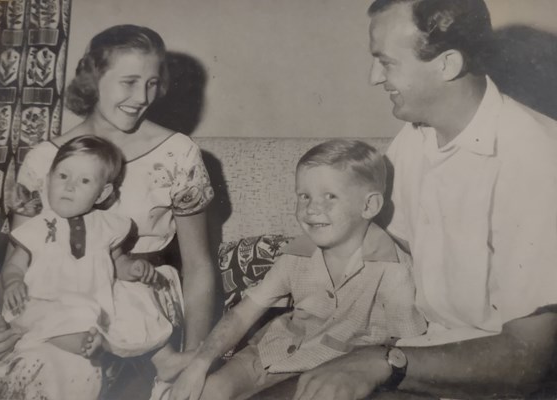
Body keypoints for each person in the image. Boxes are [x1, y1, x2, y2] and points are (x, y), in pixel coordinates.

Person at [291, 1, 557, 400]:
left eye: (387, 62)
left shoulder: (536, 160)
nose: (374, 77)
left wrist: (384, 361)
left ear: (447, 64)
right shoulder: (417, 137)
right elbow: (371, 248)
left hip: (501, 381)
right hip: (424, 352)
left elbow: (525, 361)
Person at [0, 24, 216, 399]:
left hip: (142, 301)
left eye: (152, 82)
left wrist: (196, 358)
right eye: (129, 82)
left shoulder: (178, 153)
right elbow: (22, 261)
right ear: (93, 77)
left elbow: (198, 266)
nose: (142, 97)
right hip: (59, 299)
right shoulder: (45, 159)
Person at [155, 139, 427, 400]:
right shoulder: (296, 255)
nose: (312, 209)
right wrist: (199, 364)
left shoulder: (393, 271)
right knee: (205, 392)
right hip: (268, 354)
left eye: (330, 196)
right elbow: (241, 315)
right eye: (304, 196)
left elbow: (408, 348)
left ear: (370, 206)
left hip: (327, 374)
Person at [1, 135, 171, 360]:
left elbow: (117, 262)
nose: (69, 186)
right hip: (43, 301)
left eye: (84, 181)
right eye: (63, 176)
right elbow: (14, 266)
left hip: (93, 305)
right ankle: (78, 342)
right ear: (49, 179)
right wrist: (13, 283)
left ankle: (112, 345)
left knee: (136, 309)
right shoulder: (37, 226)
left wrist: (133, 268)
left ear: (101, 194)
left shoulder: (108, 226)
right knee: (37, 313)